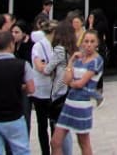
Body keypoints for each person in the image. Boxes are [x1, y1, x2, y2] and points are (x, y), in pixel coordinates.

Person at [51, 30, 104, 155]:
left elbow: (81, 83)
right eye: (86, 41)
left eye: (92, 41)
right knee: (55, 142)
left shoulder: (97, 60)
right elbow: (66, 79)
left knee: (83, 142)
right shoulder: (79, 58)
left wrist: (72, 82)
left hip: (82, 104)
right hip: (69, 103)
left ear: (97, 43)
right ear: (82, 43)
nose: (89, 44)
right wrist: (71, 61)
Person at [42, 20, 75, 155]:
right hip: (70, 91)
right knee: (65, 128)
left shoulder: (60, 49)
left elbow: (47, 69)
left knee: (60, 130)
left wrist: (41, 64)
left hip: (60, 91)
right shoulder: (73, 49)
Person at [31, 19, 59, 155]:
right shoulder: (38, 46)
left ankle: (55, 151)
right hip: (41, 90)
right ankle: (45, 152)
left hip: (54, 90)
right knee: (42, 124)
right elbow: (40, 67)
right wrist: (53, 69)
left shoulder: (57, 46)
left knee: (54, 124)